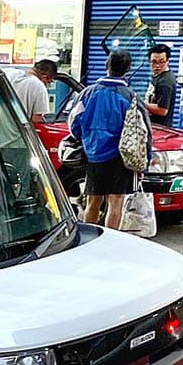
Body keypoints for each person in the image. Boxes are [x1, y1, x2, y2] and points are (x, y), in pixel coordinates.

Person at [67, 49, 152, 230]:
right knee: (116, 204)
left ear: (107, 66)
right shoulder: (131, 97)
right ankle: (111, 242)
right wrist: (145, 164)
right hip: (120, 158)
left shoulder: (87, 93)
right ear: (128, 69)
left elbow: (73, 122)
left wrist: (84, 138)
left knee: (92, 202)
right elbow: (144, 133)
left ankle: (89, 239)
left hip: (93, 155)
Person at [145, 43, 177, 126]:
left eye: (161, 62)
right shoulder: (158, 76)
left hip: (160, 130)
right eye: (154, 62)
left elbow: (162, 110)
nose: (157, 66)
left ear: (167, 61)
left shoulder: (165, 82)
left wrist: (139, 103)